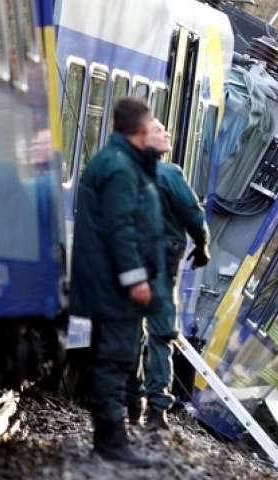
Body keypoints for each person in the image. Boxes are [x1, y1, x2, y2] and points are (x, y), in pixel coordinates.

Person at [70, 97, 164, 466]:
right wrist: (136, 279)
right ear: (141, 130)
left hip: (106, 282)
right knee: (114, 359)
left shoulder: (116, 162)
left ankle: (111, 437)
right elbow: (120, 228)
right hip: (113, 287)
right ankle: (110, 440)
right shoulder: (122, 169)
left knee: (112, 358)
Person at [126, 119, 210, 430]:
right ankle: (157, 410)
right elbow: (194, 215)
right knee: (161, 333)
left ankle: (133, 401)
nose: (167, 134)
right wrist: (202, 246)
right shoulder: (169, 174)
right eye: (160, 132)